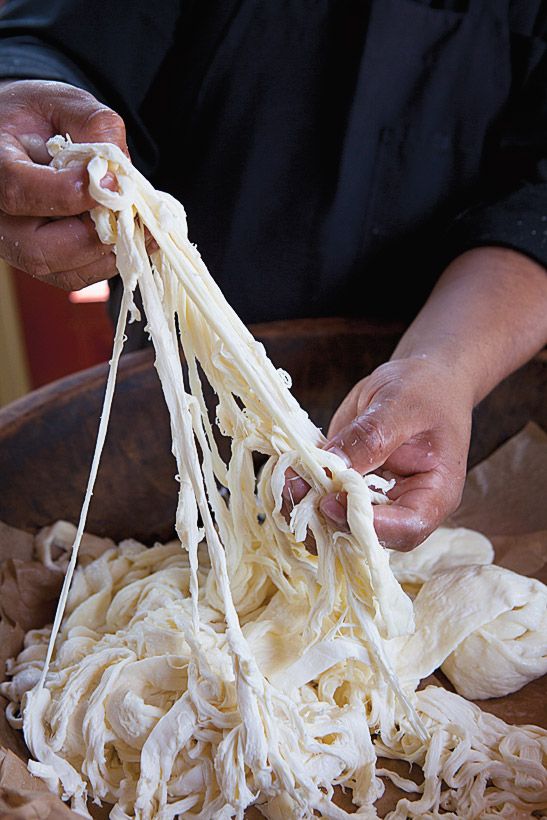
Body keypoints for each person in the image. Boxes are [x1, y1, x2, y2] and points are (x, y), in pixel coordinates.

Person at [0, 1, 546, 551]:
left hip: (459, 387)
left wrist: (445, 365)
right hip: (183, 390)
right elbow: (54, 41)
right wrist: (16, 105)